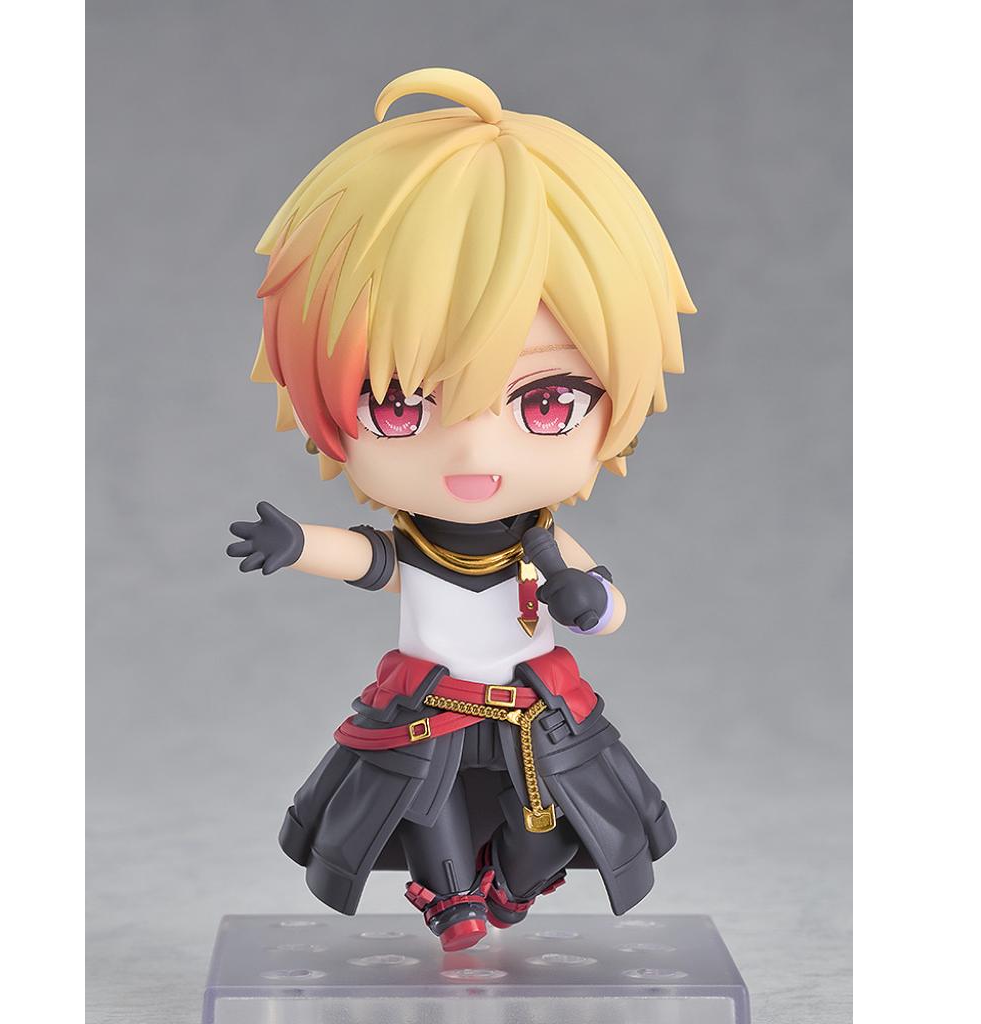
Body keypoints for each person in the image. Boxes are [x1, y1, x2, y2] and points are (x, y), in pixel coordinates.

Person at [227, 67, 695, 951]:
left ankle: (511, 889)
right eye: (401, 405)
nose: (475, 453)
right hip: (430, 708)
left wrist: (589, 601)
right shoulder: (414, 540)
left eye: (545, 402)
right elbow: (370, 559)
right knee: (423, 806)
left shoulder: (542, 542)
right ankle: (450, 902)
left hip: (533, 713)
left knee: (550, 827)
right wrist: (297, 545)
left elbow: (606, 605)